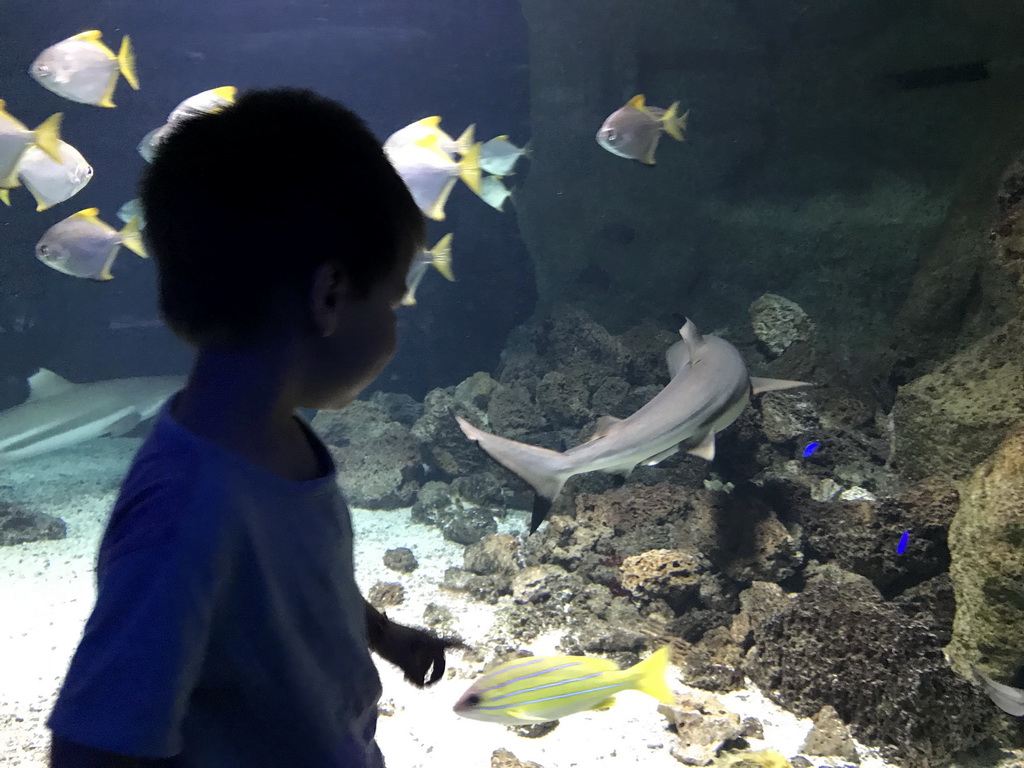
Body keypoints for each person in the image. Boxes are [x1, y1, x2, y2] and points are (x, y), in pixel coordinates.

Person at [47, 88, 461, 768]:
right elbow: (93, 742)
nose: (395, 327)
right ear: (329, 297)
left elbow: (298, 586)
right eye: (393, 300)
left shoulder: (278, 443)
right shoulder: (187, 508)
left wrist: (382, 634)